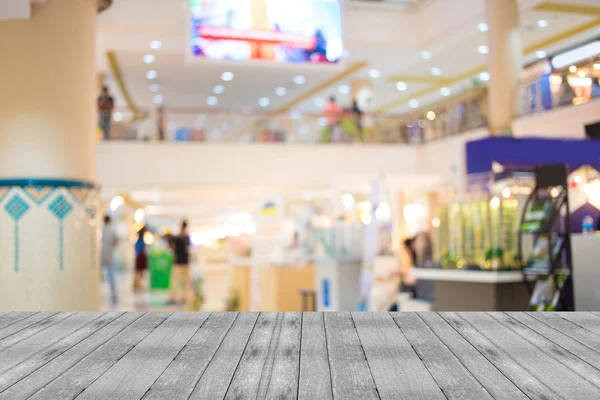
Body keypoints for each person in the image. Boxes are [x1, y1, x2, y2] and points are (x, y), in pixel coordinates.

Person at [168, 220, 192, 305]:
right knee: (184, 281)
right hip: (184, 262)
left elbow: (171, 246)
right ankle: (184, 297)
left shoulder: (177, 237)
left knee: (176, 280)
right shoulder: (186, 237)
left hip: (178, 262)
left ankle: (174, 297)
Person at [100, 215, 119, 304]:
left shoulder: (100, 230)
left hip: (100, 256)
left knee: (98, 275)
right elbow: (116, 240)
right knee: (111, 276)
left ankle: (95, 292)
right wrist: (112, 247)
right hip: (110, 255)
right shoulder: (111, 231)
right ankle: (113, 294)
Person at [133, 226, 147, 292]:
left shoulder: (140, 240)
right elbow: (139, 249)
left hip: (140, 256)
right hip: (140, 257)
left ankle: (137, 284)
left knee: (139, 271)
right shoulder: (140, 240)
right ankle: (137, 285)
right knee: (139, 271)